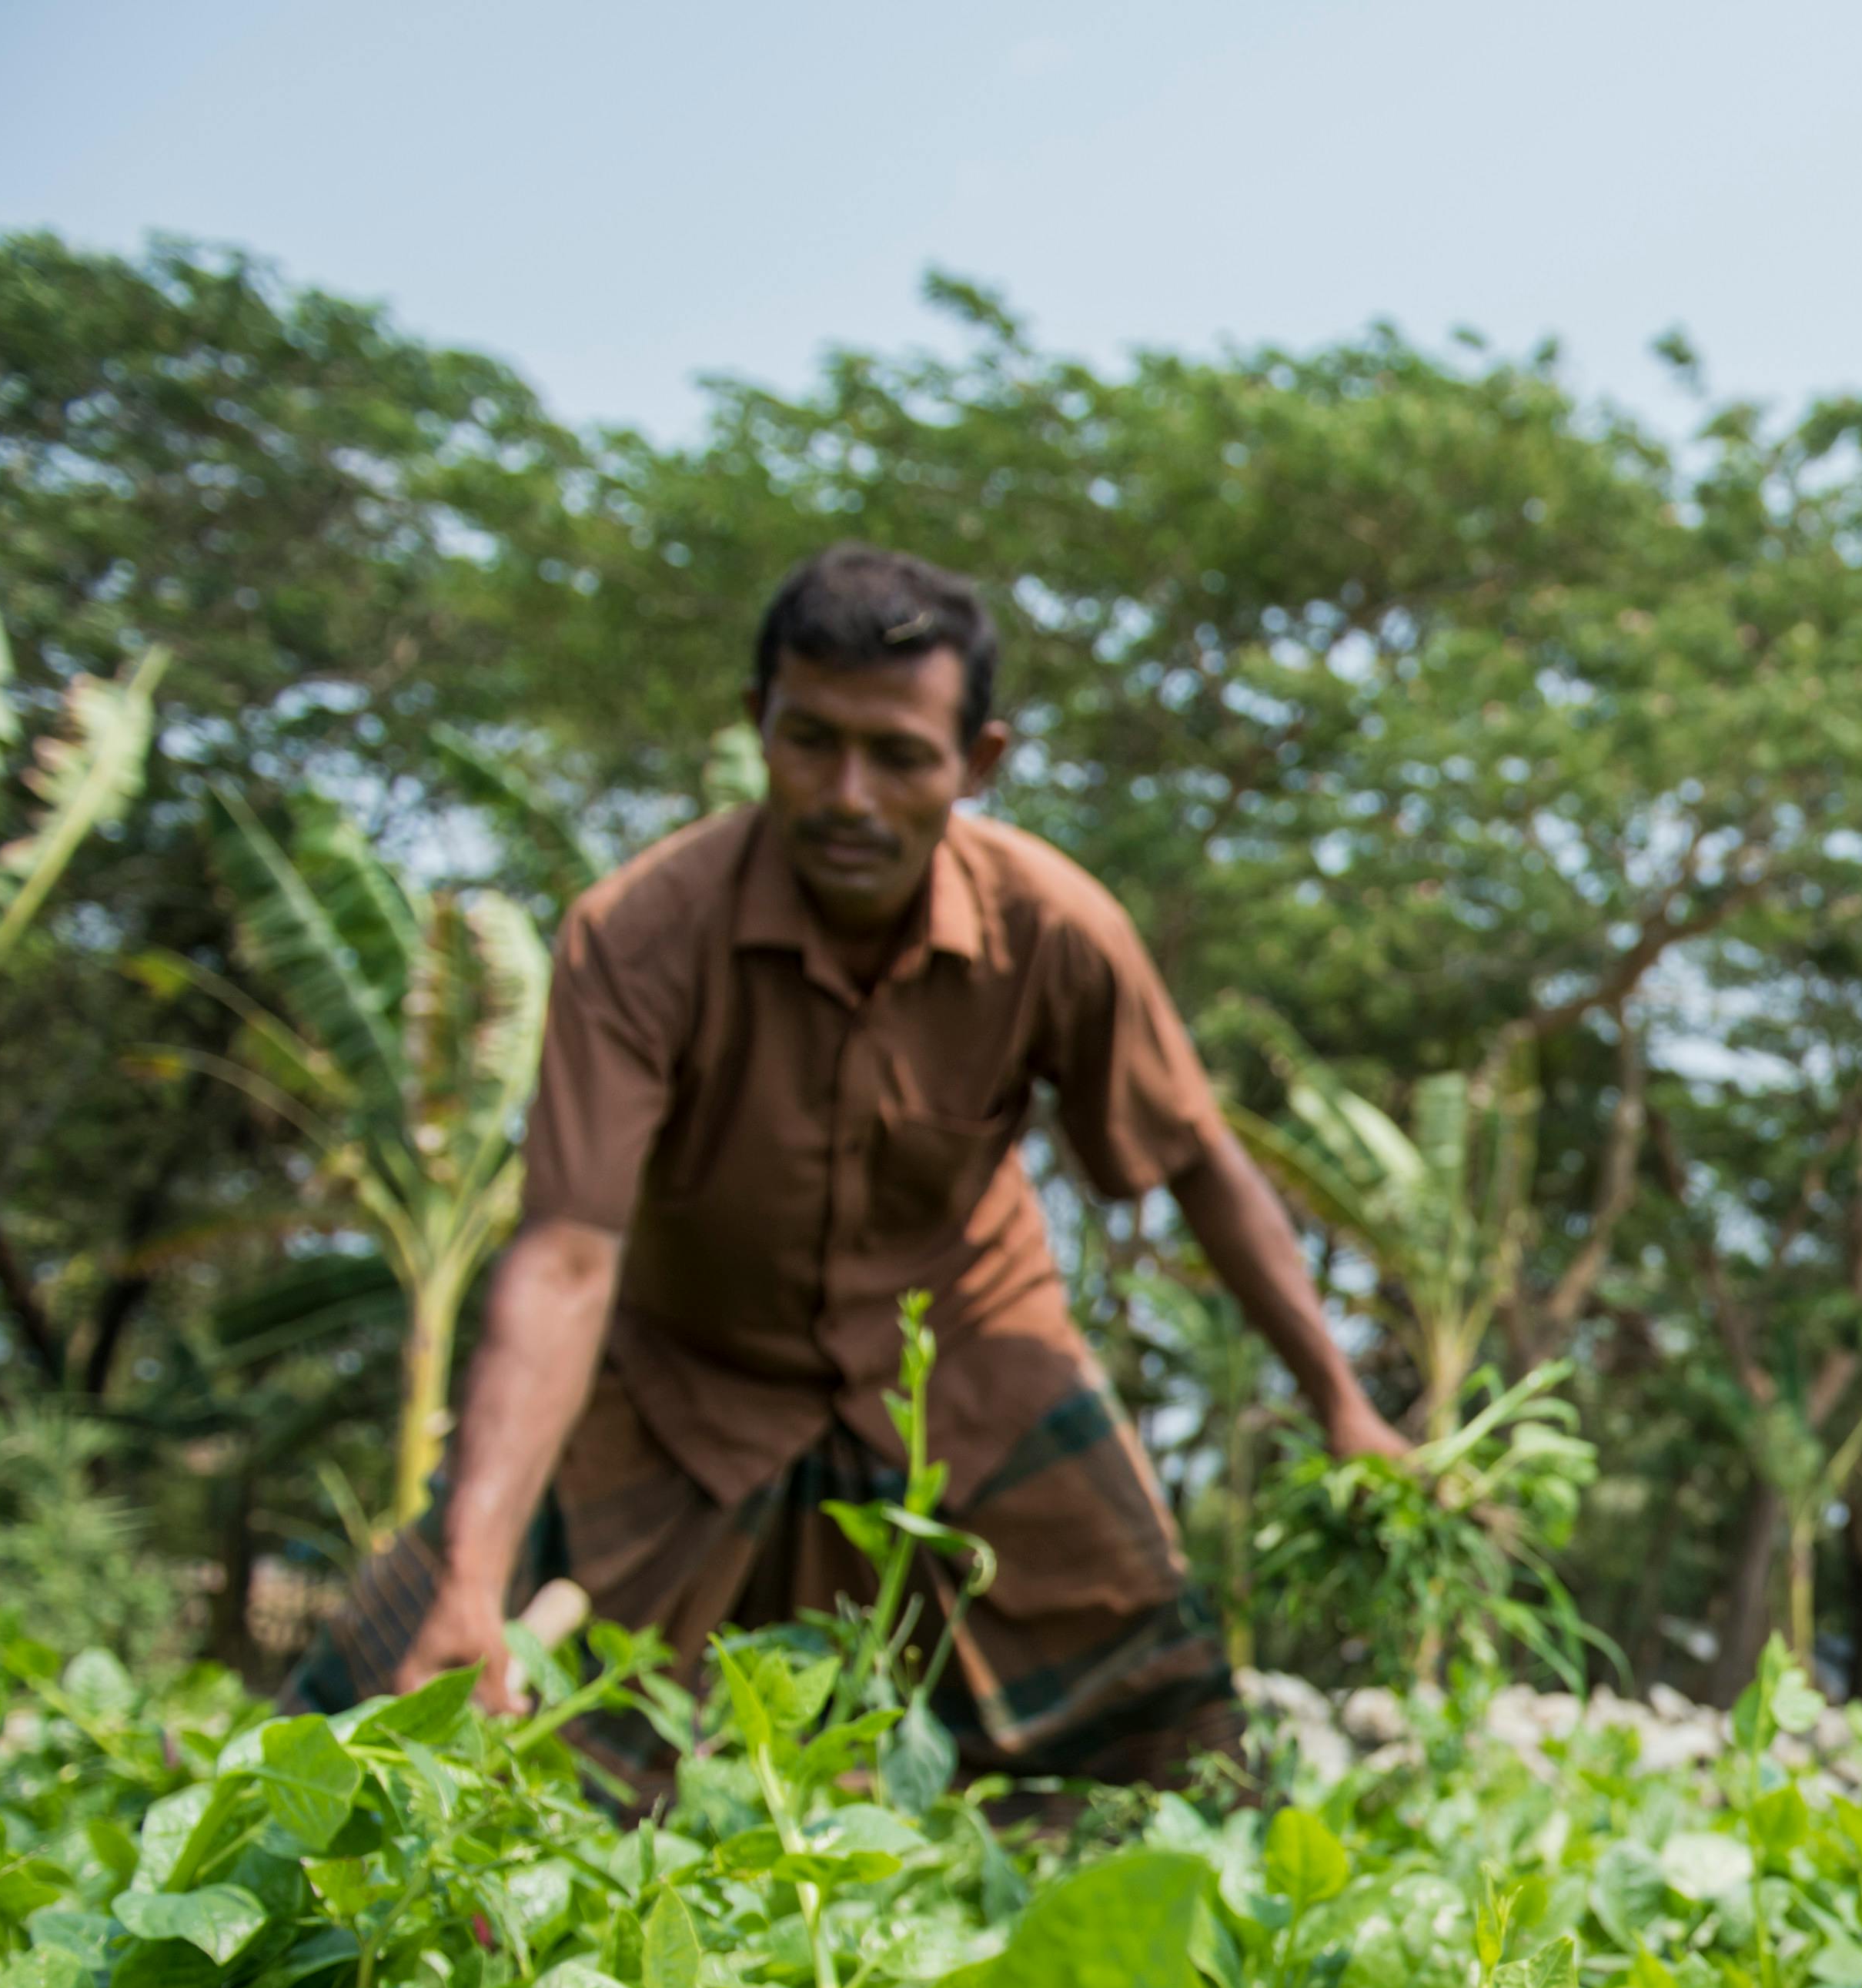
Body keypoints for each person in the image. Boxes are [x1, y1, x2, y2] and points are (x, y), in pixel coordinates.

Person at [293, 544, 1409, 1796]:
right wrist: (472, 1572)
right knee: (405, 1721)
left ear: (978, 764)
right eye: (809, 741)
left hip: (967, 1364)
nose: (849, 797)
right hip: (684, 1381)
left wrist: (1345, 1408)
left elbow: (1198, 1158)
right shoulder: (641, 934)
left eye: (901, 757)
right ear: (755, 726)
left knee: (1159, 1750)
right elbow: (564, 1253)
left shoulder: (1054, 930)